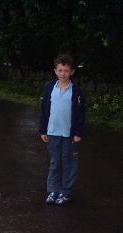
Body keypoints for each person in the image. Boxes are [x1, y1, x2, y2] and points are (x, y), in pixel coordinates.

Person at [39, 54, 86, 205]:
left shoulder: (77, 91)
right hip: (52, 132)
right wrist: (43, 130)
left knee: (69, 162)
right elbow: (44, 110)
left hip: (69, 135)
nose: (63, 73)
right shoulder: (49, 87)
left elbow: (81, 114)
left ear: (72, 72)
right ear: (55, 71)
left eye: (66, 71)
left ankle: (66, 192)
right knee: (55, 162)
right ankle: (54, 190)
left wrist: (78, 133)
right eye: (60, 70)